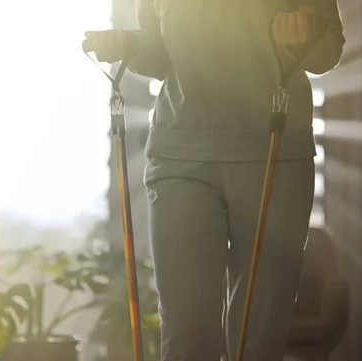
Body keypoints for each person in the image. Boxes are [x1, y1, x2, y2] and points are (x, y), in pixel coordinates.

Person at [84, 0, 345, 360]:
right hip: (179, 154)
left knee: (258, 338)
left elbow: (329, 49)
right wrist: (130, 45)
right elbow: (160, 55)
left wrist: (303, 36)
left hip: (274, 151)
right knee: (185, 335)